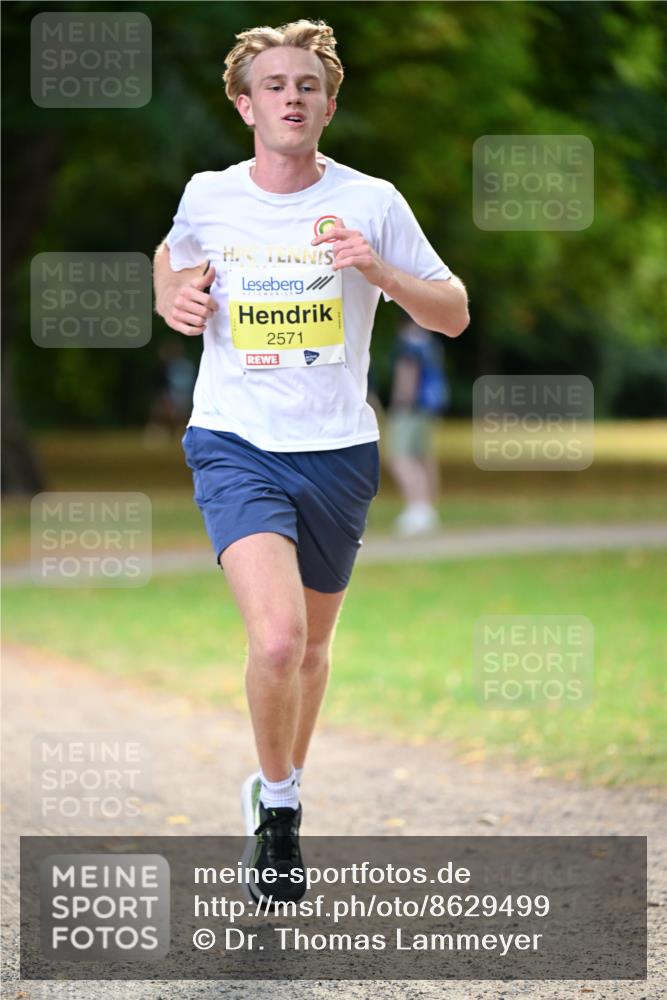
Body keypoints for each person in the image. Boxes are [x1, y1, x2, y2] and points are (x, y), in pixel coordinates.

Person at [152, 18, 468, 906]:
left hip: (336, 449)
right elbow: (171, 253)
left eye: (307, 86)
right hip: (232, 439)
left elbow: (450, 312)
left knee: (315, 648)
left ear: (328, 104)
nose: (292, 97)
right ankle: (280, 811)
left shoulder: (371, 201)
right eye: (274, 85)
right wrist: (172, 295)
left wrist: (381, 270)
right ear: (244, 103)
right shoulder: (209, 194)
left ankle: (276, 785)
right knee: (278, 638)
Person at [388, 316, 449, 537]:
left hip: (410, 408)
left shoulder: (408, 343)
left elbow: (407, 374)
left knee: (401, 457)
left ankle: (417, 508)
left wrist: (400, 403)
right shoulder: (431, 342)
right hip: (429, 408)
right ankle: (428, 508)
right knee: (423, 457)